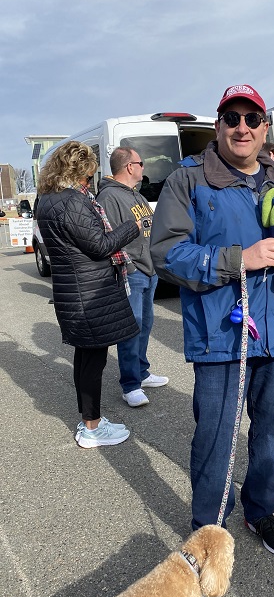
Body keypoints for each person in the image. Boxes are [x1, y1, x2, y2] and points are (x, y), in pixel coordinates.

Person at [150, 84, 274, 555]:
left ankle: (260, 511)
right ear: (217, 127)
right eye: (231, 118)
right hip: (222, 336)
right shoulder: (189, 180)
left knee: (271, 433)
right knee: (216, 437)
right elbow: (166, 253)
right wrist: (240, 259)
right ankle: (208, 526)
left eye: (251, 119)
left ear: (264, 129)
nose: (242, 127)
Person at [36, 141, 141, 448]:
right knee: (93, 362)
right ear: (81, 168)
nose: (91, 178)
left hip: (75, 290)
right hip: (88, 292)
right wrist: (130, 228)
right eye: (90, 171)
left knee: (85, 358)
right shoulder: (72, 201)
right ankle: (92, 427)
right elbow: (99, 245)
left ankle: (89, 419)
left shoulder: (49, 199)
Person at [97, 147, 169, 408]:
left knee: (145, 325)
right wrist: (131, 268)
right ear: (129, 166)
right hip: (133, 272)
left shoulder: (134, 195)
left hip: (149, 270)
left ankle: (142, 372)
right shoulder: (109, 197)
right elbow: (111, 239)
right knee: (131, 328)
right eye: (141, 163)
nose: (144, 168)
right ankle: (130, 385)